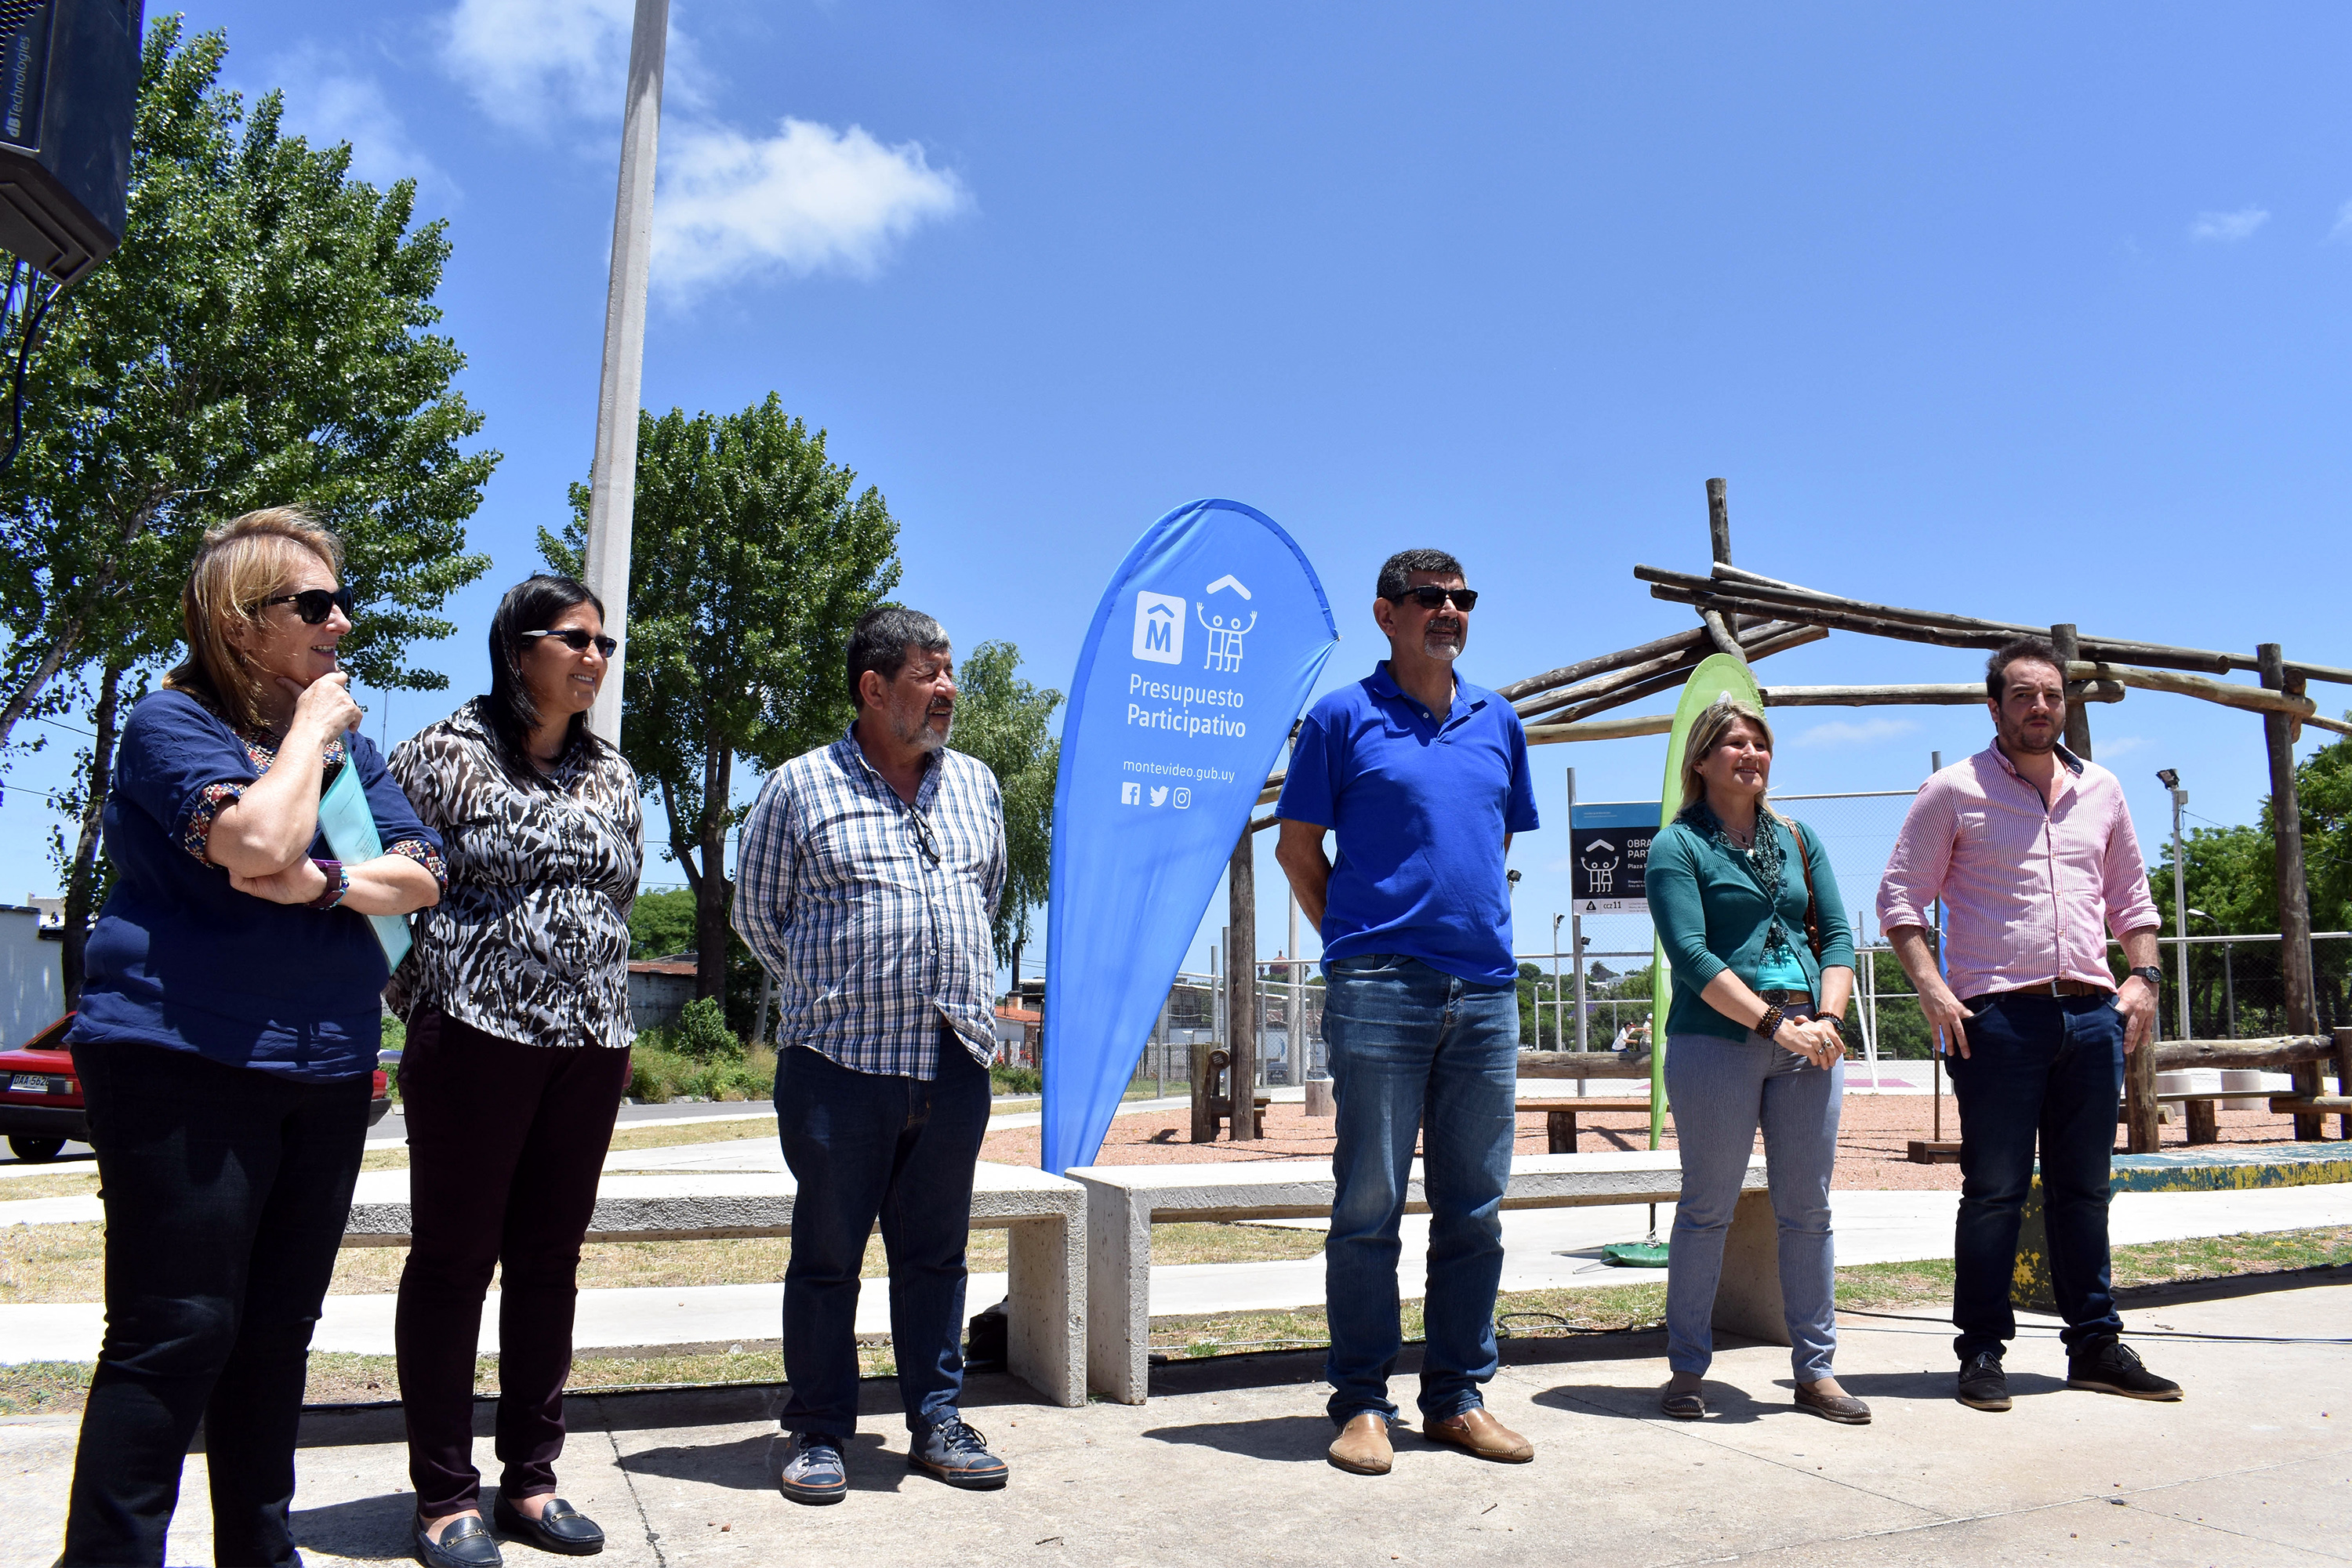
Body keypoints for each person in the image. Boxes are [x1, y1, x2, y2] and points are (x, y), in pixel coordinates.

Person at [57, 509, 445, 1568]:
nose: (342, 626)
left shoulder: (350, 753)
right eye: (314, 606)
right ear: (239, 623)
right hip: (181, 1063)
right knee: (177, 1330)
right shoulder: (170, 726)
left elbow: (420, 875)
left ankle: (258, 1555)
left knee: (276, 1338)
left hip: (322, 1070)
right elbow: (254, 837)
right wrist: (312, 739)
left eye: (339, 602)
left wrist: (315, 880)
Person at [387, 577, 644, 1567]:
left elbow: (618, 898)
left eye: (605, 644)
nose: (595, 657)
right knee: (454, 1262)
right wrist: (421, 995)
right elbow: (370, 878)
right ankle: (444, 1495)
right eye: (576, 639)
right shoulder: (441, 755)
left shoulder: (613, 774)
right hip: (473, 1040)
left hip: (588, 1046)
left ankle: (530, 1480)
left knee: (550, 1260)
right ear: (516, 648)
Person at [734, 605, 1010, 1504]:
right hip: (837, 1068)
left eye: (949, 670)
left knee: (937, 1255)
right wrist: (836, 994)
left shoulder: (975, 784)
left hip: (954, 1060)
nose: (948, 689)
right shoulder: (798, 787)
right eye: (930, 672)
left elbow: (987, 894)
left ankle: (937, 1415)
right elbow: (758, 916)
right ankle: (818, 1429)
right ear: (874, 686)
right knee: (827, 1255)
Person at [1274, 548, 1540, 1477]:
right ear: (1386, 614)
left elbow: (1492, 837)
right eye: (1430, 598)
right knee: (1370, 1203)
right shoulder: (1341, 718)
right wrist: (1358, 942)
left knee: (1475, 1204)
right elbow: (1298, 850)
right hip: (1380, 987)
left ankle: (1459, 1397)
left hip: (1485, 993)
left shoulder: (1500, 719)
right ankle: (1360, 1401)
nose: (1450, 610)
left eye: (1463, 597)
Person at [1879, 636, 2178, 1411]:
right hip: (1998, 1019)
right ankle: (1981, 1348)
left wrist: (2143, 980)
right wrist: (1934, 990)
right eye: (2023, 694)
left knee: (2085, 1188)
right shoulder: (1951, 789)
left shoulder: (2104, 789)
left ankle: (2096, 1344)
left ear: (2065, 702)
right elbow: (1900, 901)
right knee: (1995, 1191)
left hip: (2091, 1013)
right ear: (1994, 705)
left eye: (2051, 694)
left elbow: (2132, 901)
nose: (2040, 706)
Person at [1645, 697, 1864, 1423]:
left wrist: (1827, 1019)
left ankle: (1817, 1371)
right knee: (1707, 1209)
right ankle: (1686, 1370)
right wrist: (1779, 1025)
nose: (1752, 756)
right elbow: (1692, 954)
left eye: (1761, 745)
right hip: (1718, 1043)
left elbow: (1836, 934)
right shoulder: (1678, 847)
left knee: (1809, 1210)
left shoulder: (1798, 837)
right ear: (1702, 760)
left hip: (1810, 1041)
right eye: (1736, 745)